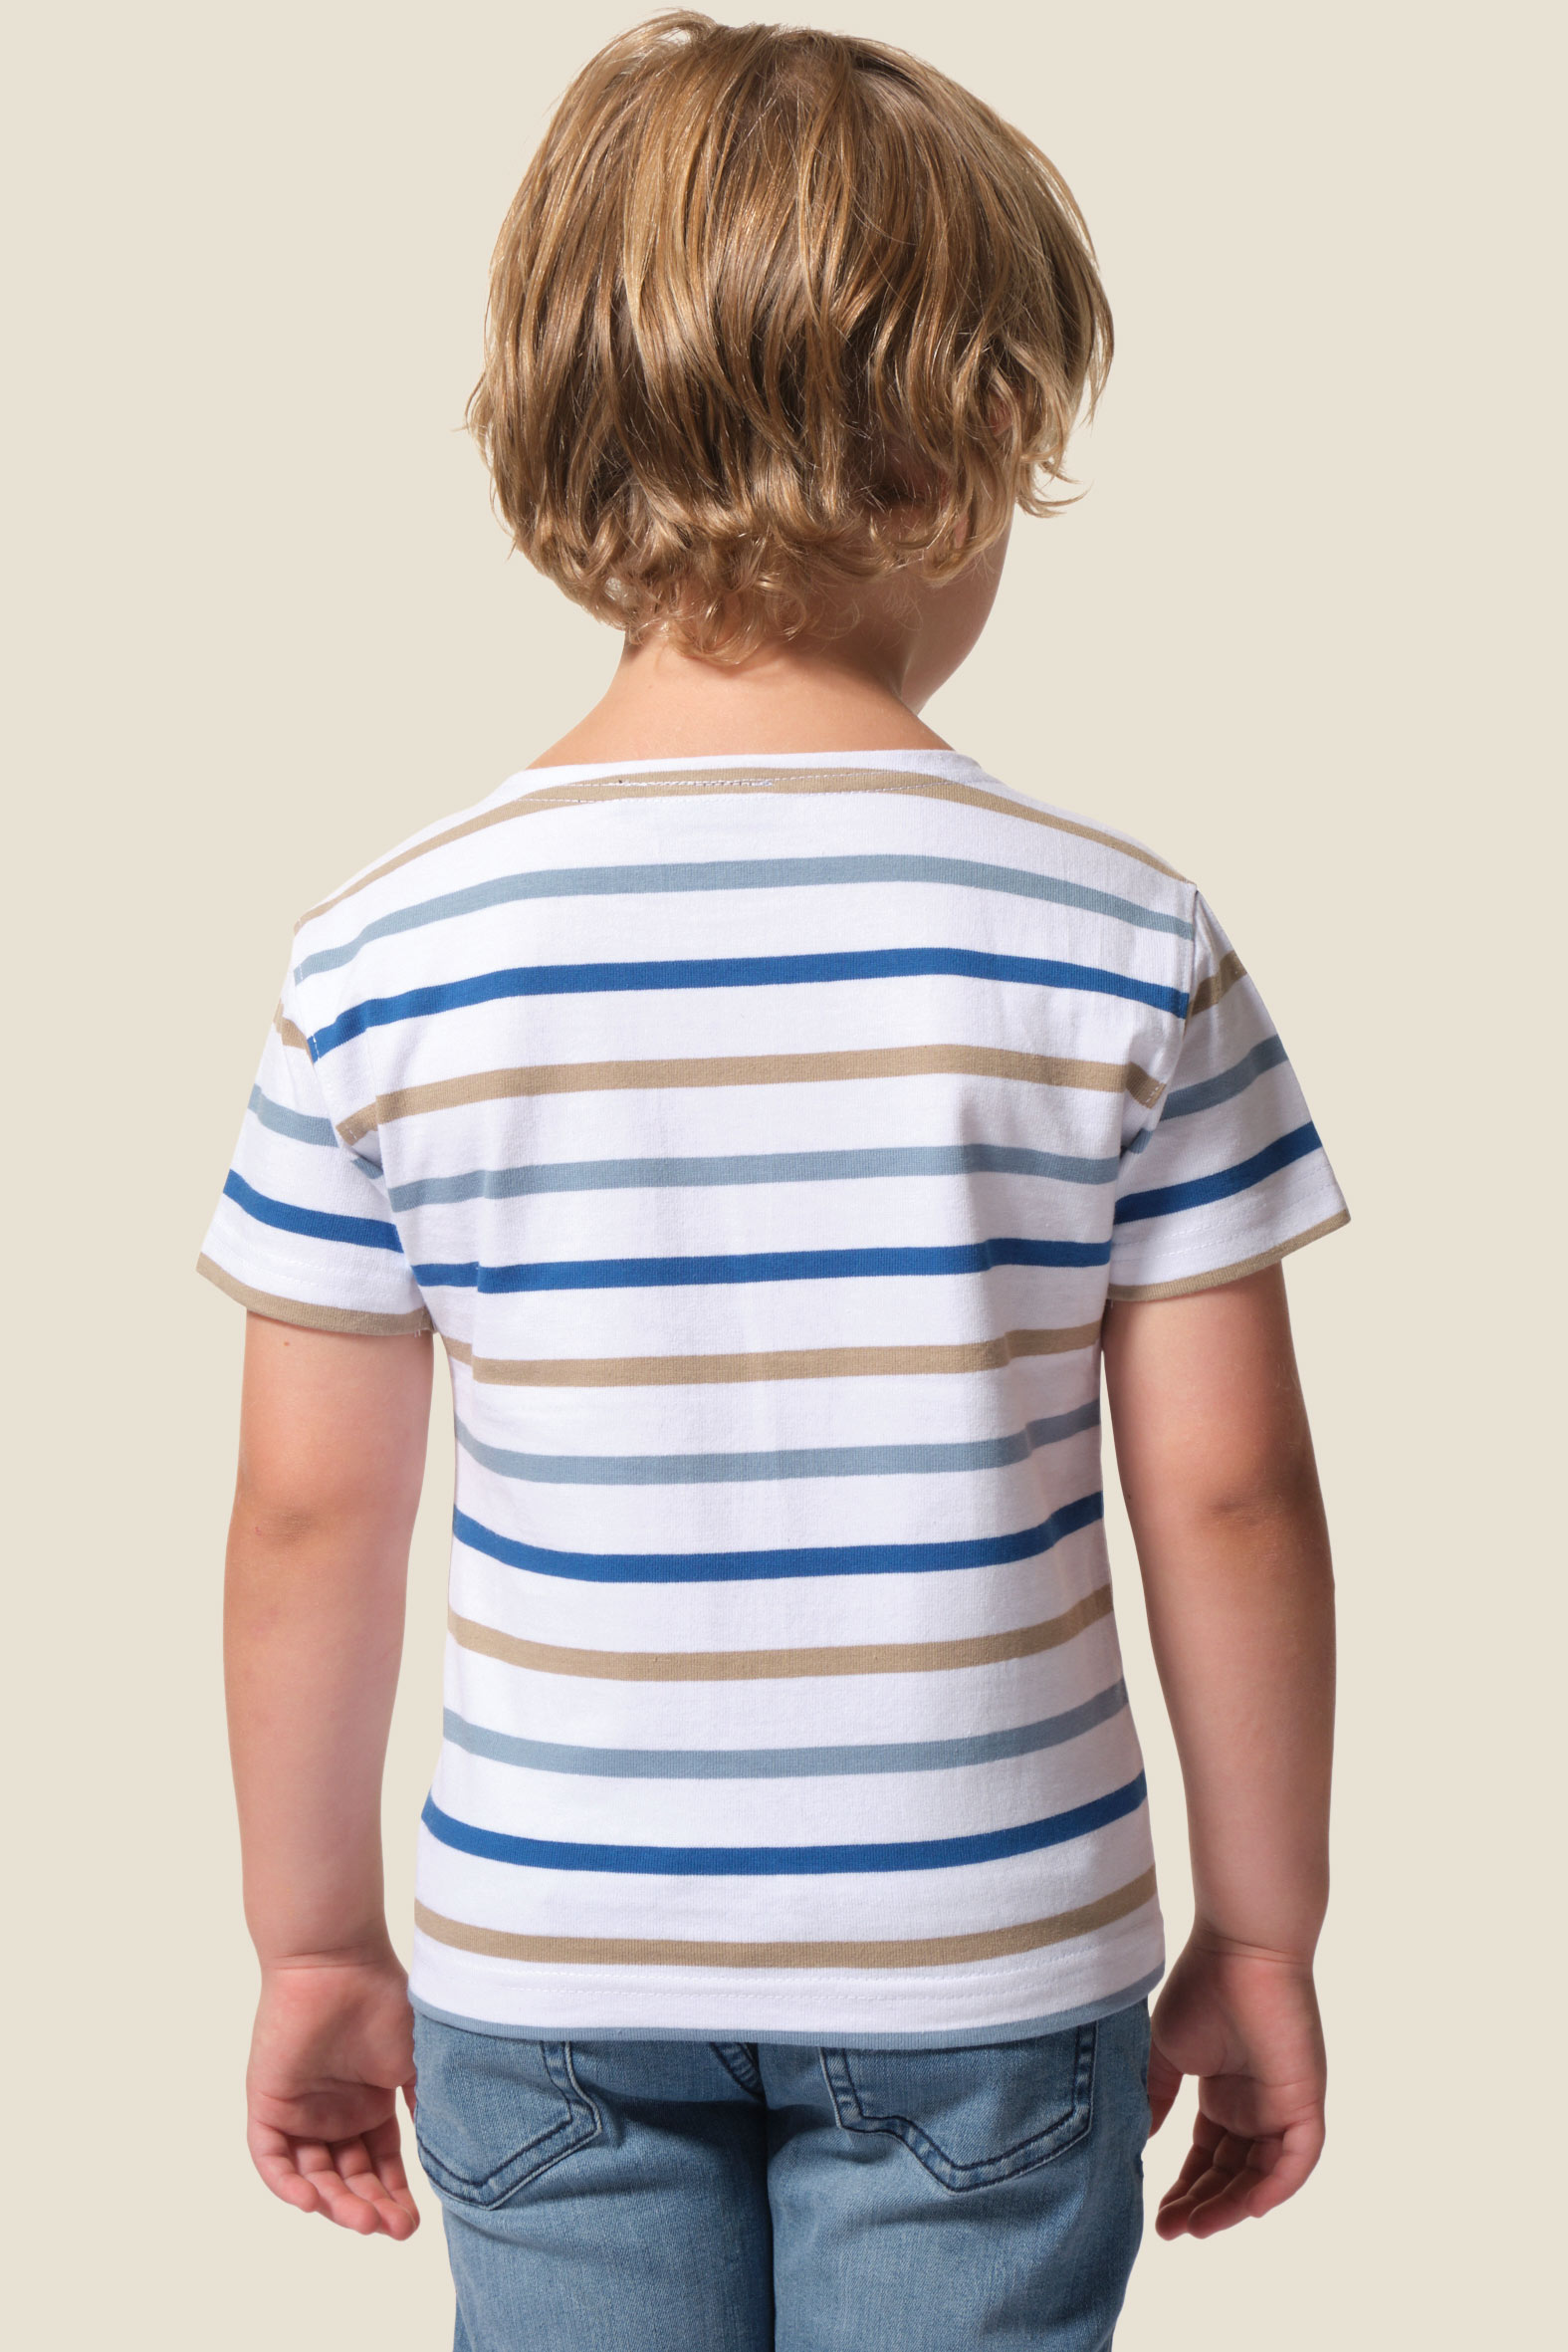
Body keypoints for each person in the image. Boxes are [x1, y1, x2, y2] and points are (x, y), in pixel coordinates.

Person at [202, 15, 1347, 2347]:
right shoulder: (1121, 941)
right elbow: (1224, 1493)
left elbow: (312, 1515)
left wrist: (314, 1939)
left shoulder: (377, 959)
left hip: (550, 1953)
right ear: (965, 442)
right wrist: (1260, 1926)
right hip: (982, 1952)